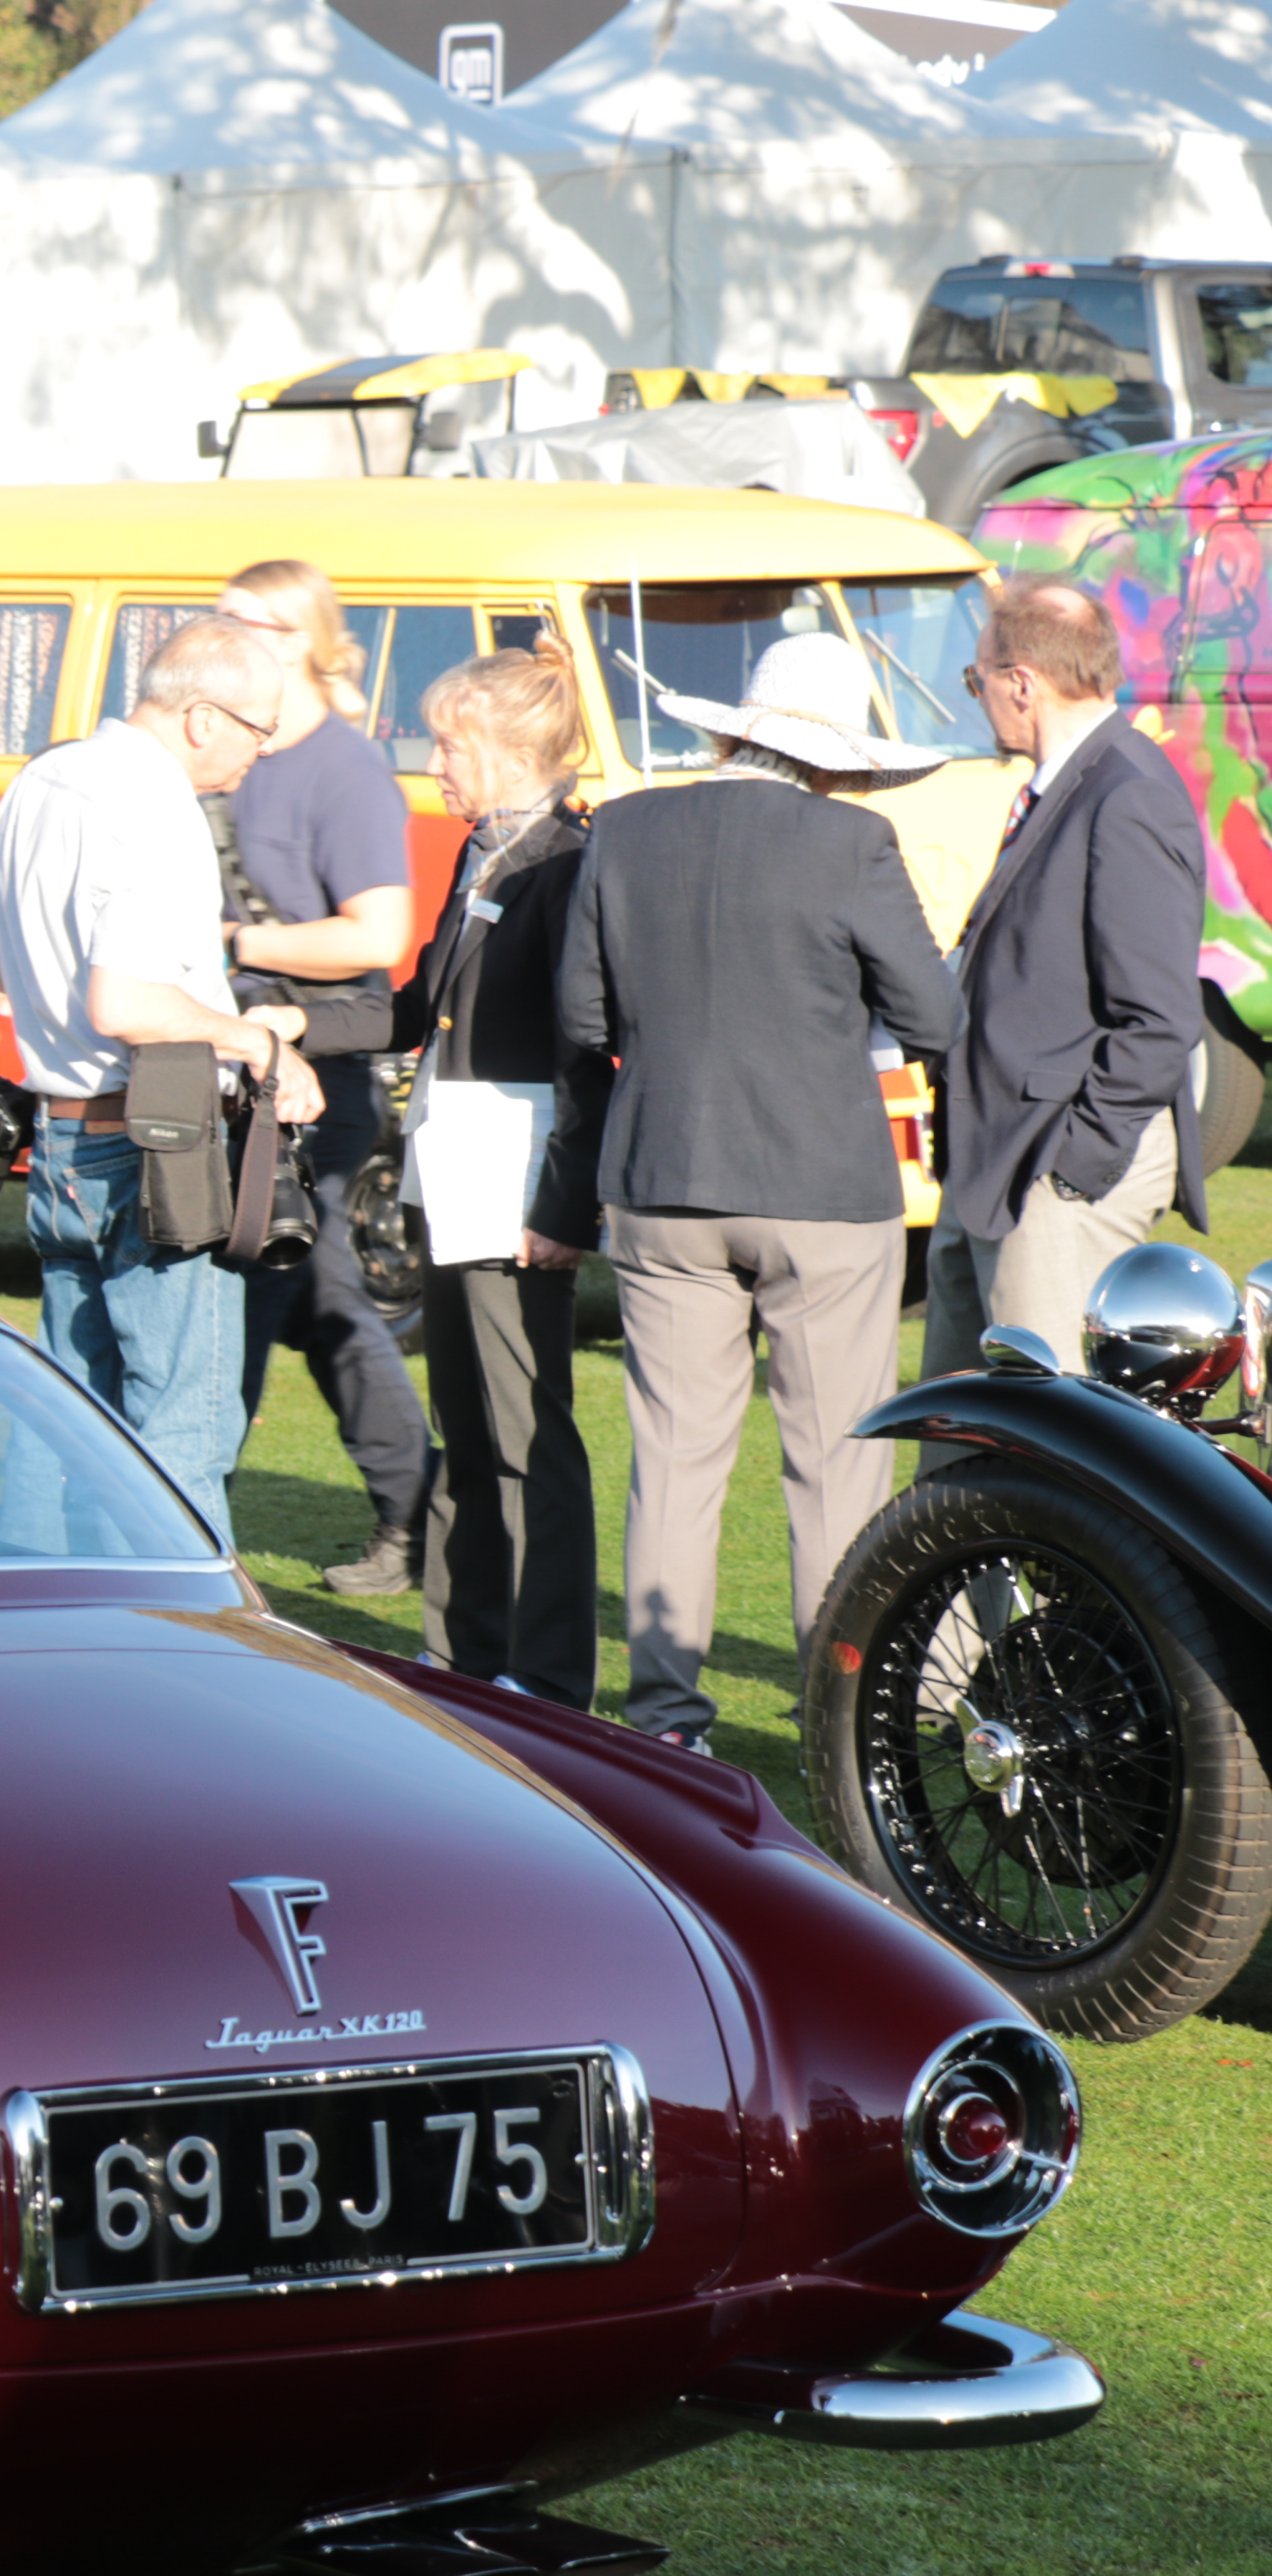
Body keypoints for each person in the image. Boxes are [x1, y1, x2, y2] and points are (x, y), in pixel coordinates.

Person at [556, 633, 962, 1753]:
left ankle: (666, 1724)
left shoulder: (628, 826)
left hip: (661, 1174)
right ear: (832, 760)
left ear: (734, 728)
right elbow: (935, 1020)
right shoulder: (853, 842)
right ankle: (843, 1723)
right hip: (822, 1185)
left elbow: (584, 1021)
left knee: (676, 1463)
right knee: (834, 1471)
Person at [0, 614, 319, 1521]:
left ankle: (39, 1640)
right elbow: (125, 1003)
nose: (265, 749)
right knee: (184, 1433)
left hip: (61, 1135)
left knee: (62, 1430)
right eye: (260, 727)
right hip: (148, 1145)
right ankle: (189, 1645)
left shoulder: (43, 778)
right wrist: (255, 1042)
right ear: (205, 717)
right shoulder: (153, 801)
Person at [922, 573, 1210, 1411]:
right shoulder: (1077, 777)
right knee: (965, 1424)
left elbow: (1158, 1021)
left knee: (1046, 1433)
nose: (977, 699)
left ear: (1023, 682)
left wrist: (1071, 1170)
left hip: (1051, 1163)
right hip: (998, 1154)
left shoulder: (1126, 792)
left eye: (975, 681)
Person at [396, 636, 608, 1708]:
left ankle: (549, 1671)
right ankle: (465, 1655)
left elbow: (589, 1049)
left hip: (515, 1176)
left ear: (510, 747)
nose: (432, 761)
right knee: (467, 1423)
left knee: (529, 1432)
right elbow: (423, 1001)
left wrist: (565, 1203)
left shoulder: (567, 862)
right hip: (457, 1163)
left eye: (447, 741)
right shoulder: (485, 848)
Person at [213, 560, 430, 1599]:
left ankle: (181, 1525)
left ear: (297, 639)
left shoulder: (342, 769)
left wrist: (240, 940)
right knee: (317, 1301)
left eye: (236, 621)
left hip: (314, 1082)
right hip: (240, 1069)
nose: (214, 635)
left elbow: (377, 934)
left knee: (242, 1298)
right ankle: (421, 1518)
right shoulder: (236, 747)